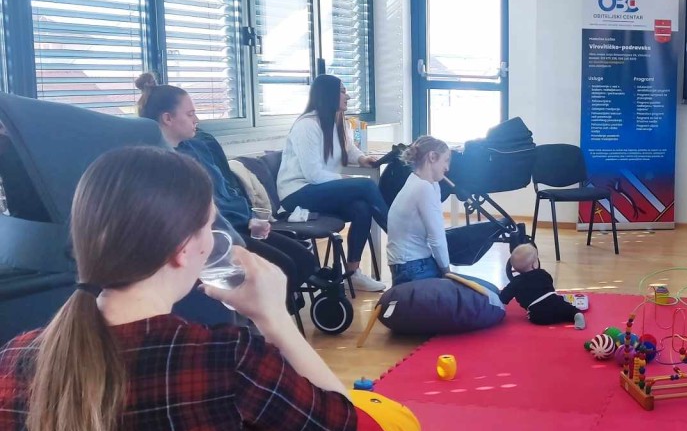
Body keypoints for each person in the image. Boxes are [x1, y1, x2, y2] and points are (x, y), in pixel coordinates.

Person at [0, 146, 391, 431]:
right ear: (183, 249)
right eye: (210, 226)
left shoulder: (12, 360)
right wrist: (275, 317)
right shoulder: (224, 358)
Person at [135, 73, 318, 312]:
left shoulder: (198, 147)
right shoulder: (162, 163)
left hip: (239, 225)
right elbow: (201, 213)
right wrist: (243, 224)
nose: (196, 119)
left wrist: (250, 219)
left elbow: (226, 192)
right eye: (190, 114)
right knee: (285, 268)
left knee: (304, 260)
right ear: (167, 118)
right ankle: (262, 318)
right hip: (215, 236)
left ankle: (273, 311)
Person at [278, 74, 388, 292]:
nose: (348, 96)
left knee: (362, 207)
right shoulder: (306, 126)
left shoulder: (339, 122)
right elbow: (313, 175)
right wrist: (345, 180)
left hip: (320, 191)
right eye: (342, 91)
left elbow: (348, 148)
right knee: (366, 186)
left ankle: (352, 273)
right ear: (328, 95)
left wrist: (362, 159)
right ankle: (401, 236)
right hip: (297, 194)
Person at [387, 135, 453, 285]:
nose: (447, 167)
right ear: (432, 157)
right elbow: (437, 239)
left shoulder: (418, 182)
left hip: (407, 264)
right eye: (445, 160)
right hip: (413, 266)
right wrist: (447, 272)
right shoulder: (423, 188)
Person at [500, 244, 586, 329]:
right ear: (534, 265)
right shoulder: (543, 273)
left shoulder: (515, 282)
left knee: (534, 315)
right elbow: (550, 286)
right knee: (566, 308)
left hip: (538, 315)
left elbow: (503, 298)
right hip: (555, 303)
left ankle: (557, 317)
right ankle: (576, 315)